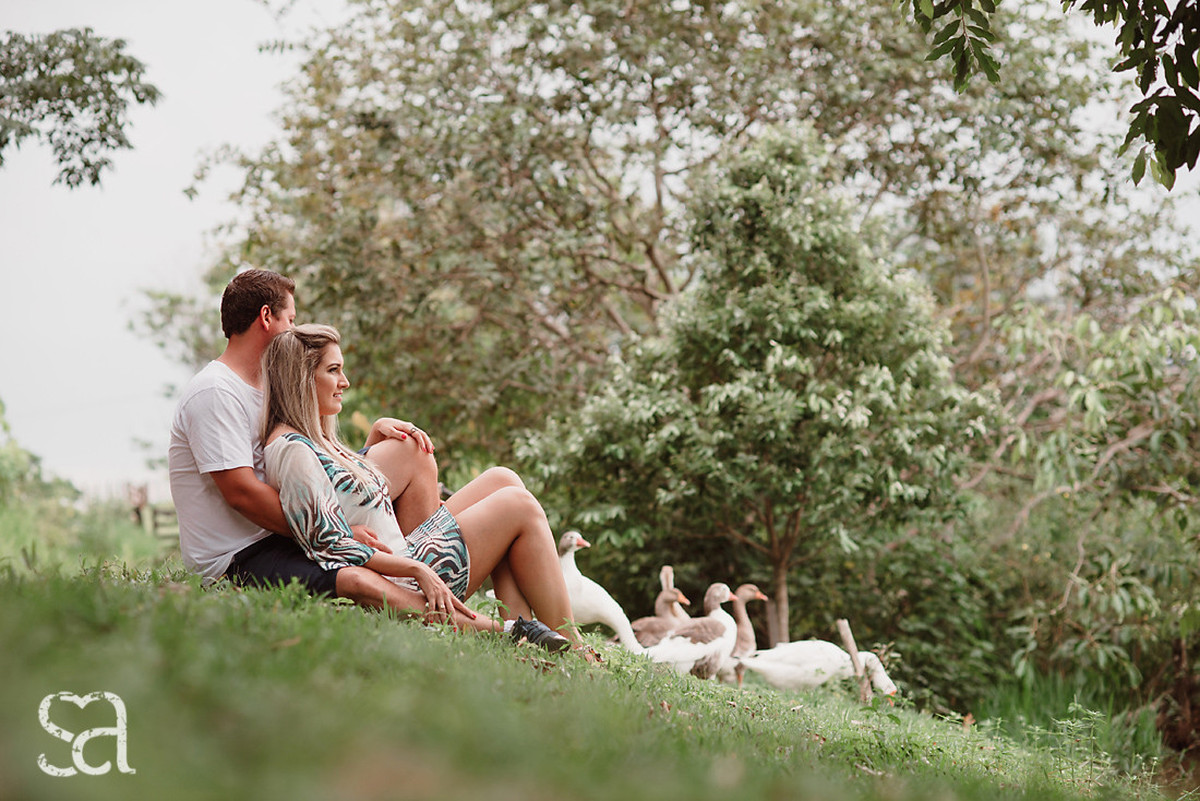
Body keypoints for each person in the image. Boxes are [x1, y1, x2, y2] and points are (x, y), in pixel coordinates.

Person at [259, 323, 582, 650]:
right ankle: (574, 645)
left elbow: (350, 497)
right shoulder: (292, 451)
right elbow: (330, 547)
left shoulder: (313, 441)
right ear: (302, 378)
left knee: (503, 478)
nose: (345, 382)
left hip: (409, 557)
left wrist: (373, 437)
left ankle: (525, 630)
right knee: (518, 505)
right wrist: (416, 569)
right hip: (408, 582)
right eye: (333, 370)